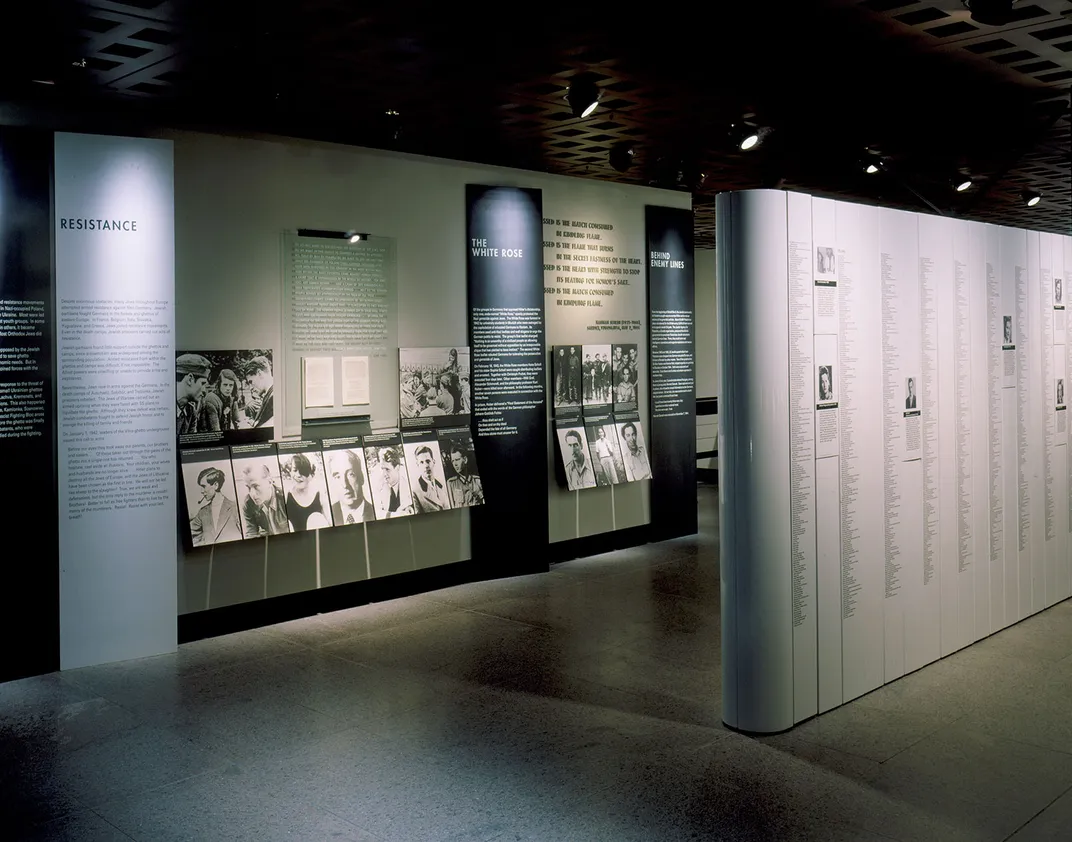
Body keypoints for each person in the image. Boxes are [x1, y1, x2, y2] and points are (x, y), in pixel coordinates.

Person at [189, 467, 242, 546]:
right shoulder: (202, 513)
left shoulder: (235, 508)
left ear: (216, 485)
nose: (201, 491)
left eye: (204, 486)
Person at [281, 453, 329, 531]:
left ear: (311, 475)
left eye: (303, 471)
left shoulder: (320, 495)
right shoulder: (286, 496)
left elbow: (330, 523)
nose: (298, 475)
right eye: (295, 470)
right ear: (290, 472)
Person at [240, 462, 289, 537]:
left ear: (269, 482)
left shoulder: (285, 498)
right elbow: (251, 535)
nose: (252, 494)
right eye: (248, 487)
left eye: (256, 486)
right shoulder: (248, 504)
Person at [329, 449, 374, 524]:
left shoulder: (377, 513)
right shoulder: (327, 516)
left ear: (361, 477)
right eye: (338, 477)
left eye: (351, 474)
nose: (344, 485)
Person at [176, 353, 214, 436]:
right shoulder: (161, 409)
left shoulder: (190, 410)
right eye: (202, 383)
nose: (204, 391)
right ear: (190, 379)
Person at [374, 447, 413, 518]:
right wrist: (394, 515)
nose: (384, 474)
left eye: (387, 469)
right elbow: (375, 512)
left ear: (397, 468)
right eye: (382, 469)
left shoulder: (409, 482)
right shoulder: (378, 484)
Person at [411, 445, 450, 512]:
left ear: (433, 462)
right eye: (421, 462)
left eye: (428, 461)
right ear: (418, 465)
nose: (426, 466)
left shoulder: (443, 485)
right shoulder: (415, 491)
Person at [446, 442, 484, 507]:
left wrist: (480, 494)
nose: (455, 464)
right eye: (453, 461)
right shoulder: (451, 484)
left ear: (465, 460)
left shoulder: (477, 481)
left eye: (457, 460)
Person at [244, 355, 274, 428]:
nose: (250, 388)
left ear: (259, 373)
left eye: (251, 382)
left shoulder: (273, 397)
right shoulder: (269, 395)